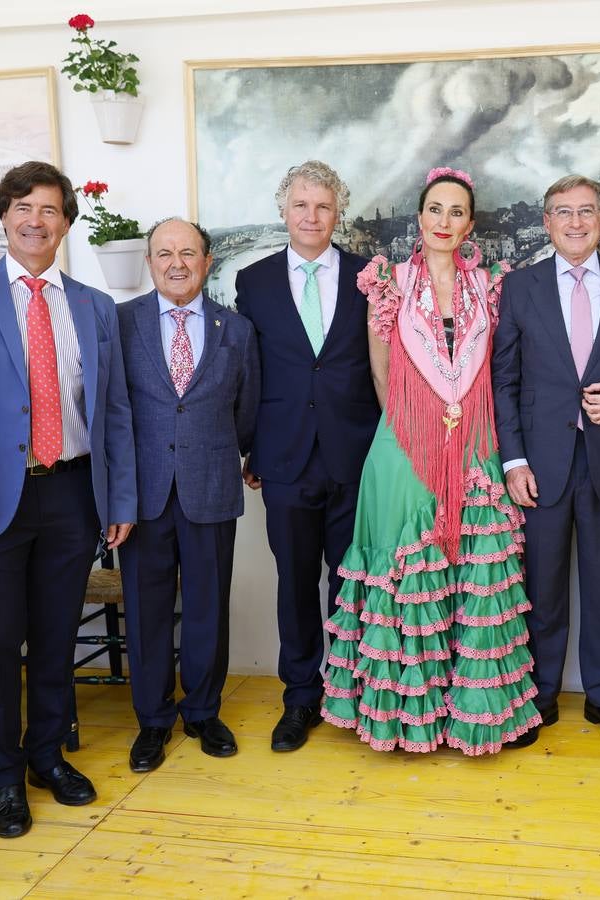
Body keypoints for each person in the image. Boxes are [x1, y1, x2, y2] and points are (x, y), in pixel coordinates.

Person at [0, 161, 137, 839]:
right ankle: (4, 778)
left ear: (66, 223)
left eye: (48, 209)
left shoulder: (94, 306)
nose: (34, 220)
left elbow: (115, 413)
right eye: (22, 206)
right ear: (4, 216)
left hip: (73, 494)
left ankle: (47, 756)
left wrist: (119, 498)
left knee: (53, 639)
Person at [322, 166, 542, 753]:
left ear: (471, 223)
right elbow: (378, 370)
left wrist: (459, 429)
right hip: (405, 444)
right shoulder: (387, 281)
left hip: (476, 446)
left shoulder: (492, 285)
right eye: (435, 210)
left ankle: (474, 712)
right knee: (412, 570)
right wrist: (417, 434)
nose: (445, 221)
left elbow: (500, 368)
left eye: (457, 212)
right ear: (420, 217)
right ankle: (410, 718)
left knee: (475, 569)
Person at [492, 174, 600, 749]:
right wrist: (512, 460)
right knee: (543, 584)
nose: (576, 222)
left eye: (587, 211)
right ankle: (539, 695)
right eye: (564, 212)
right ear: (547, 222)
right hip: (540, 463)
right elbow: (503, 380)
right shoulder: (519, 287)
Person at [235, 161, 380, 752]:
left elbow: (383, 364)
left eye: (323, 206)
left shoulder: (371, 276)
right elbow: (248, 372)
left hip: (356, 454)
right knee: (295, 583)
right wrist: (250, 447)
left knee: (353, 582)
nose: (312, 217)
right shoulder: (254, 280)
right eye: (301, 206)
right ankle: (301, 697)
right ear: (284, 211)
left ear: (338, 211)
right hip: (285, 457)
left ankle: (352, 694)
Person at [117, 217, 259, 772]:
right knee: (147, 611)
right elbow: (111, 410)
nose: (177, 263)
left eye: (189, 253)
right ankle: (152, 721)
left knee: (207, 606)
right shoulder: (120, 322)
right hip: (143, 495)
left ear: (207, 260)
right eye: (164, 253)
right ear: (149, 262)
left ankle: (202, 710)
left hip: (211, 486)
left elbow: (246, 410)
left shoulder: (236, 330)